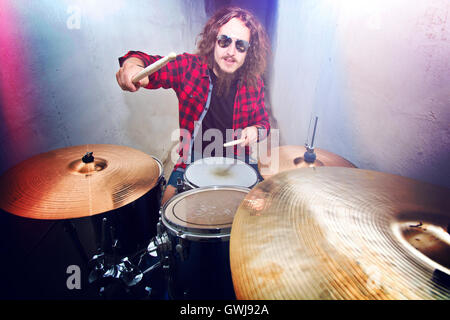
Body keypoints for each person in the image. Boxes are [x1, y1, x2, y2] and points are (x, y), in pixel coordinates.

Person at [116, 7, 271, 204]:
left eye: (241, 46)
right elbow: (146, 62)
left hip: (238, 158)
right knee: (167, 208)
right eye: (224, 41)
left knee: (260, 210)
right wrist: (133, 66)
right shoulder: (188, 67)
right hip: (193, 157)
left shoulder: (254, 82)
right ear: (213, 40)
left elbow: (263, 122)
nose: (231, 52)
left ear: (249, 51)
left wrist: (255, 131)